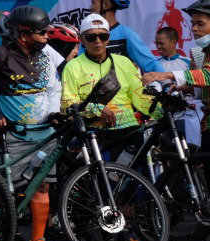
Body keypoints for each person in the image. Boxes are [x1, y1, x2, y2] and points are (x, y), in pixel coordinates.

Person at [0, 5, 64, 241]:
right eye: (41, 32)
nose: (47, 36)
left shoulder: (45, 57)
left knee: (42, 187)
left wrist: (54, 112)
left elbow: (54, 89)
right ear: (23, 34)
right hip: (13, 135)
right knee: (5, 191)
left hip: (43, 133)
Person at [62, 14, 153, 148]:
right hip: (94, 133)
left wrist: (161, 109)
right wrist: (96, 109)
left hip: (129, 131)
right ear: (82, 40)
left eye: (103, 36)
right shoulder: (72, 66)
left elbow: (141, 97)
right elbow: (67, 104)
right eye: (91, 37)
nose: (98, 41)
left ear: (108, 38)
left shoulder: (124, 62)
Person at [87, 0, 162, 73]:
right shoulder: (88, 35)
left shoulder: (127, 35)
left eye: (93, 2)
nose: (90, 8)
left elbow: (151, 65)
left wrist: (168, 84)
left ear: (106, 5)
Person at [152, 26, 201, 146]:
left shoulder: (189, 63)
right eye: (156, 43)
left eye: (161, 43)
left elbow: (197, 89)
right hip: (163, 115)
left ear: (174, 43)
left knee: (188, 149)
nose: (158, 47)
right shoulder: (154, 64)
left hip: (186, 116)